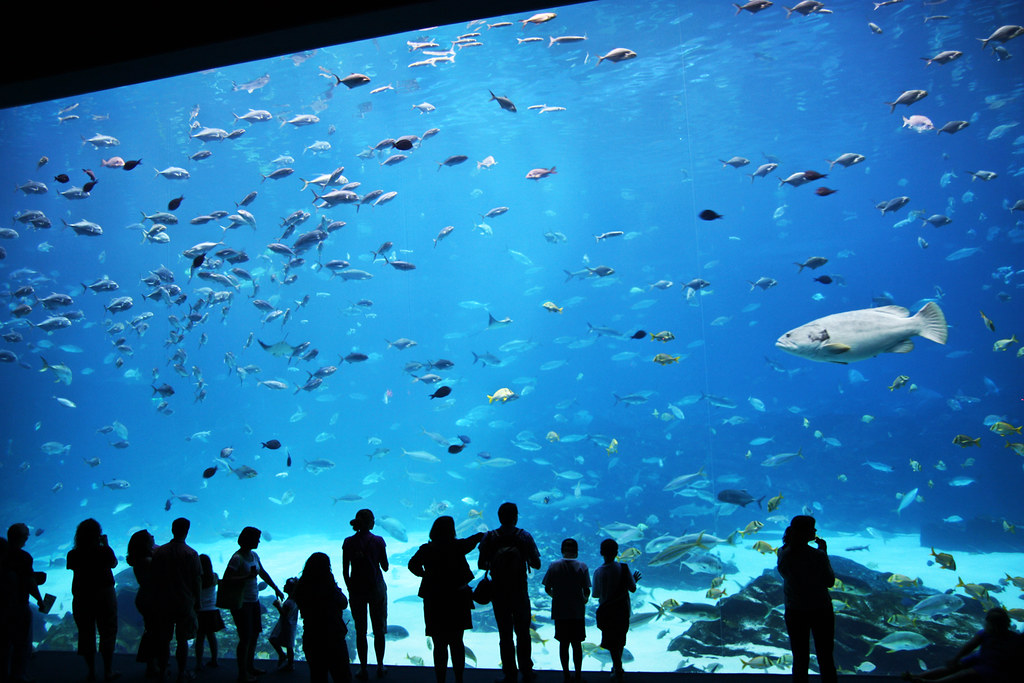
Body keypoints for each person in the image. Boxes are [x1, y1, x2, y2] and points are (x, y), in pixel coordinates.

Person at [407, 516, 484, 683]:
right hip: (457, 599)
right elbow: (474, 540)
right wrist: (486, 534)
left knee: (439, 644)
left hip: (434, 600)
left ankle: (440, 680)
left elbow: (412, 564)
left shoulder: (427, 549)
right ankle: (459, 679)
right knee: (457, 642)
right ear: (452, 530)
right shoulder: (458, 546)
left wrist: (426, 575)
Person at [477, 502, 541, 683]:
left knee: (504, 634)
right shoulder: (524, 536)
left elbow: (481, 564)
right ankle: (527, 670)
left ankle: (509, 672)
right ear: (516, 517)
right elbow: (537, 564)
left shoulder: (489, 537)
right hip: (519, 590)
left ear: (499, 517)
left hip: (499, 591)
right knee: (523, 633)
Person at [776, 515, 837, 683]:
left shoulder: (782, 553)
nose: (815, 531)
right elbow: (830, 581)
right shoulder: (817, 555)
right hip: (820, 610)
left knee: (800, 657)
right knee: (825, 657)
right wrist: (824, 552)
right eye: (812, 528)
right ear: (805, 532)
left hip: (794, 610)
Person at [224, 526, 284, 683]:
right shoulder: (237, 558)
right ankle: (242, 674)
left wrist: (275, 587)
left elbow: (262, 572)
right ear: (248, 539)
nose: (259, 541)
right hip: (241, 603)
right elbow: (227, 579)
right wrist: (246, 577)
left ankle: (250, 667)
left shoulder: (254, 555)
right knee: (244, 638)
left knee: (255, 634)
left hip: (254, 600)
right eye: (257, 538)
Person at [903, 607, 1019, 683]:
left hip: (994, 666)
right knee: (955, 668)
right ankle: (919, 676)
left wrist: (956, 658)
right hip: (981, 659)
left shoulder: (990, 634)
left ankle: (929, 680)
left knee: (964, 673)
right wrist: (956, 659)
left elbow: (969, 646)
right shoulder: (1010, 637)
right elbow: (969, 646)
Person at [66, 518, 119, 682]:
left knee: (86, 633)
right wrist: (106, 545)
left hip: (82, 597)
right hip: (104, 595)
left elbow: (73, 567)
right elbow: (114, 563)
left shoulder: (73, 554)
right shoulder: (104, 551)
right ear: (98, 534)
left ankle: (91, 671)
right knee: (107, 632)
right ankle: (108, 671)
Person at [150, 518, 202, 682]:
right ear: (187, 531)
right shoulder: (191, 554)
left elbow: (153, 577)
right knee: (182, 640)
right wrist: (197, 601)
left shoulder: (159, 552)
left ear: (172, 529)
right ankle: (181, 672)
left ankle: (163, 671)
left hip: (163, 602)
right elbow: (197, 580)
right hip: (184, 602)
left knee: (163, 640)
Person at [342, 509, 390, 680]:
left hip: (356, 590)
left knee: (361, 631)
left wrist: (350, 588)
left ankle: (363, 668)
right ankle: (380, 665)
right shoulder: (378, 541)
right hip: (376, 589)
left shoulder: (348, 542)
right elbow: (385, 566)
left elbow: (345, 571)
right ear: (370, 522)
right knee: (379, 630)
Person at [292, 552, 351, 683]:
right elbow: (343, 602)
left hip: (312, 637)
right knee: (342, 676)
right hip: (333, 637)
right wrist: (335, 588)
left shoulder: (301, 587)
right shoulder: (329, 588)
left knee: (317, 676)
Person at [542, 539, 590, 683]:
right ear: (576, 551)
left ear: (562, 550)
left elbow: (547, 588)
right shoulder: (582, 566)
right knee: (577, 644)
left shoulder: (554, 565)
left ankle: (566, 675)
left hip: (560, 611)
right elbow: (586, 589)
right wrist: (584, 599)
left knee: (563, 644)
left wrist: (556, 597)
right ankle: (578, 675)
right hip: (577, 612)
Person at [592, 538, 640, 682]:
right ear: (617, 552)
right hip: (622, 611)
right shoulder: (624, 568)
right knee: (619, 641)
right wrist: (633, 580)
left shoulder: (598, 572)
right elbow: (632, 588)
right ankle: (617, 667)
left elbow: (595, 594)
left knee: (611, 641)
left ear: (601, 552)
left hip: (607, 612)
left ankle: (617, 667)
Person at [7, 522, 45, 683]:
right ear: (22, 538)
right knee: (22, 642)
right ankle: (19, 675)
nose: (27, 539)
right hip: (19, 605)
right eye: (26, 536)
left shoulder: (2, 554)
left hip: (3, 605)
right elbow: (29, 582)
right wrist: (40, 600)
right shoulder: (23, 557)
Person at [127, 529, 159, 678]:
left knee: (151, 630)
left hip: (144, 597)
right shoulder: (147, 561)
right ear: (145, 543)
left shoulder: (142, 558)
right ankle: (151, 665)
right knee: (153, 632)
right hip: (150, 599)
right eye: (150, 537)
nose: (153, 537)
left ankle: (152, 662)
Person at [194, 554, 224, 672]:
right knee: (212, 636)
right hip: (212, 610)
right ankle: (214, 660)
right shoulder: (214, 576)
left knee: (200, 638)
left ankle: (198, 663)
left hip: (200, 611)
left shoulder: (197, 578)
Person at [269, 578, 299, 672]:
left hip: (286, 625)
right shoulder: (294, 600)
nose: (284, 586)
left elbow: (284, 614)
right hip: (291, 625)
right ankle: (290, 663)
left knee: (273, 639)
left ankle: (284, 657)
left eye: (286, 585)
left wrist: (278, 605)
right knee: (289, 646)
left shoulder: (289, 602)